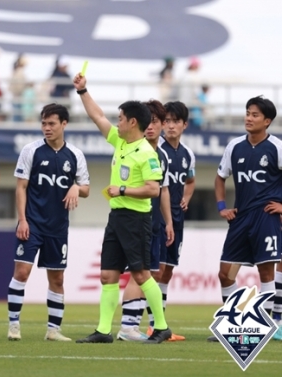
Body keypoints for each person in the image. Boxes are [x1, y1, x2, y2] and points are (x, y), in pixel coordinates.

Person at [72, 72, 172, 344]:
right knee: (107, 275)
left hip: (136, 220)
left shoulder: (147, 153)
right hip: (116, 218)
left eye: (120, 118)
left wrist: (124, 189)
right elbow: (97, 117)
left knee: (141, 274)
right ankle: (104, 331)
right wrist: (83, 91)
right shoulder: (120, 140)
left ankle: (161, 326)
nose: (115, 121)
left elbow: (154, 188)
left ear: (132, 122)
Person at [6, 103, 89, 342]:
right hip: (32, 224)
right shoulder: (31, 151)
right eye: (43, 123)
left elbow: (86, 189)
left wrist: (76, 187)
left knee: (57, 279)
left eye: (51, 123)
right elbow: (20, 187)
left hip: (58, 227)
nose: (46, 128)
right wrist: (22, 220)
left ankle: (53, 330)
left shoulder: (75, 155)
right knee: (21, 272)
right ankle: (13, 325)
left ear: (64, 124)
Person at [209, 96, 281, 342]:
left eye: (255, 115)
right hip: (240, 218)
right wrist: (222, 207)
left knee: (266, 274)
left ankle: (264, 327)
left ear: (267, 121)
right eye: (248, 113)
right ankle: (233, 324)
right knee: (225, 274)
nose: (249, 118)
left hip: (266, 217)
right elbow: (220, 178)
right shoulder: (234, 146)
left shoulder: (277, 148)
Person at [117, 99, 174, 341]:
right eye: (147, 121)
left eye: (155, 121)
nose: (150, 126)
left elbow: (163, 190)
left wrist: (168, 221)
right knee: (139, 273)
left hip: (153, 224)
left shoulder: (162, 156)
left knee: (151, 273)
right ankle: (127, 327)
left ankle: (148, 326)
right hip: (133, 220)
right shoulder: (130, 147)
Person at [156, 101, 196, 341]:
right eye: (166, 121)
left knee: (167, 271)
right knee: (156, 270)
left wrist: (187, 199)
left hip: (177, 219)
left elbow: (190, 181)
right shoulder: (155, 149)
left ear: (184, 125)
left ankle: (159, 323)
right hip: (158, 219)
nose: (170, 126)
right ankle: (153, 325)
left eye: (175, 121)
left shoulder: (187, 153)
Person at [9, 55, 27, 122]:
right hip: (18, 95)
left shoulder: (16, 71)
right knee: (18, 114)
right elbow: (19, 86)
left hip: (16, 95)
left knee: (17, 113)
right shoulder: (19, 72)